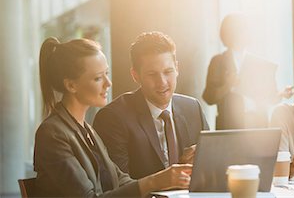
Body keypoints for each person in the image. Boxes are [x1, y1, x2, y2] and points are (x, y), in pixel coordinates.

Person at [34, 37, 192, 197]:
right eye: (98, 78)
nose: (108, 83)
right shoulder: (53, 134)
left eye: (106, 74)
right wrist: (156, 181)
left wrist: (171, 179)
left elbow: (120, 181)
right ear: (71, 85)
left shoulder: (86, 130)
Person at [93, 32, 209, 179]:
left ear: (177, 69)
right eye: (152, 74)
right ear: (135, 75)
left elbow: (212, 167)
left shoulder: (192, 108)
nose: (162, 82)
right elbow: (118, 185)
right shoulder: (113, 118)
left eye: (168, 72)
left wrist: (201, 161)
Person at [203, 13, 293, 129]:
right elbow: (208, 98)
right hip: (229, 126)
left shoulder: (258, 63)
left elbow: (268, 98)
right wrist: (228, 86)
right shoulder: (218, 62)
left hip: (258, 125)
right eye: (243, 29)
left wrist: (281, 94)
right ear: (231, 33)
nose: (247, 33)